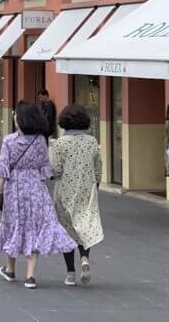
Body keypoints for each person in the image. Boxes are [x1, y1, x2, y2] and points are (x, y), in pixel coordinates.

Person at [0, 101, 76, 290]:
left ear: (20, 119)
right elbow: (46, 168)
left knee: (13, 225)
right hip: (36, 189)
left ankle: (10, 269)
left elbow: (2, 169)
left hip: (14, 189)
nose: (14, 117)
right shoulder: (39, 141)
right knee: (34, 228)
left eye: (15, 115)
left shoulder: (9, 141)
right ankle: (30, 276)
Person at [50, 104, 103, 287]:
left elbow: (55, 171)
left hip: (65, 192)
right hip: (86, 191)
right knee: (84, 227)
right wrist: (95, 185)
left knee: (67, 230)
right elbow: (98, 169)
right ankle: (85, 259)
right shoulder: (92, 142)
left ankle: (70, 273)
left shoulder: (60, 143)